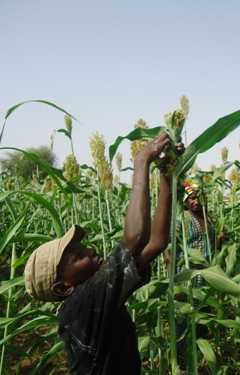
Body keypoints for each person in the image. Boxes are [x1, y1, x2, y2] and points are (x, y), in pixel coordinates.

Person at [24, 132, 180, 375]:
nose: (91, 250)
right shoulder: (79, 306)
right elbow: (136, 239)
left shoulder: (100, 296)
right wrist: (140, 162)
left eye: (82, 247)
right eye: (77, 257)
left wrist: (167, 174)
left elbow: (157, 242)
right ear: (64, 288)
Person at [164, 181, 225, 372]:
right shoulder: (182, 219)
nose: (196, 202)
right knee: (183, 325)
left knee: (200, 325)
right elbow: (169, 251)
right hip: (188, 279)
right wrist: (175, 283)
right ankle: (177, 367)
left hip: (207, 279)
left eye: (199, 197)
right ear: (185, 201)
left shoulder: (210, 220)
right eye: (192, 198)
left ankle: (192, 365)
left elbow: (214, 249)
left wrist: (220, 241)